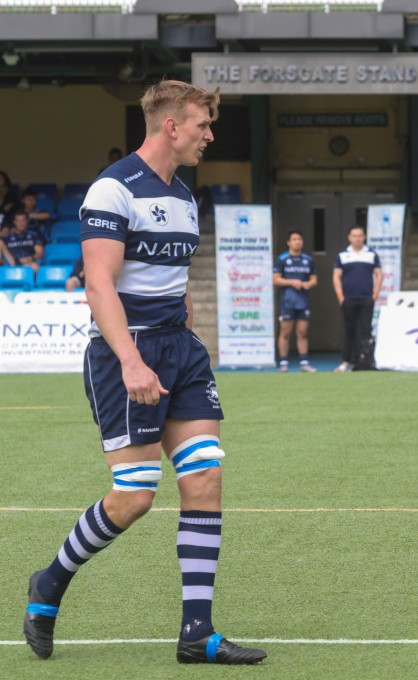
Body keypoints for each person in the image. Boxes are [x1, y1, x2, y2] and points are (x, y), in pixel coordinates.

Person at [22, 80, 267, 666]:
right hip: (125, 353)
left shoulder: (183, 194)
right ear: (171, 126)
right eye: (203, 124)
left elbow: (171, 280)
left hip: (180, 351)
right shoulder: (113, 190)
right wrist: (132, 360)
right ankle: (50, 582)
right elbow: (99, 283)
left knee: (205, 476)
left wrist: (186, 337)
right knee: (133, 498)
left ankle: (197, 634)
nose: (210, 135)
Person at [331, 225, 382, 373]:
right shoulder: (342, 255)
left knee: (366, 331)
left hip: (366, 299)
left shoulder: (371, 254)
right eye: (354, 236)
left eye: (360, 235)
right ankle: (346, 362)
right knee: (349, 331)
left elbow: (379, 274)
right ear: (349, 237)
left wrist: (375, 294)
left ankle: (365, 362)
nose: (357, 238)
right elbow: (336, 276)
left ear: (364, 237)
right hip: (349, 299)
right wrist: (341, 297)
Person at [273, 229, 318, 373]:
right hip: (287, 301)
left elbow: (314, 279)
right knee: (285, 331)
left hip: (303, 301)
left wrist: (307, 284)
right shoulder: (282, 259)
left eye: (299, 239)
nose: (297, 242)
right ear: (288, 242)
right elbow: (275, 279)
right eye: (294, 239)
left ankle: (304, 363)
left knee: (302, 332)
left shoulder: (308, 260)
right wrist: (292, 282)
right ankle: (284, 363)